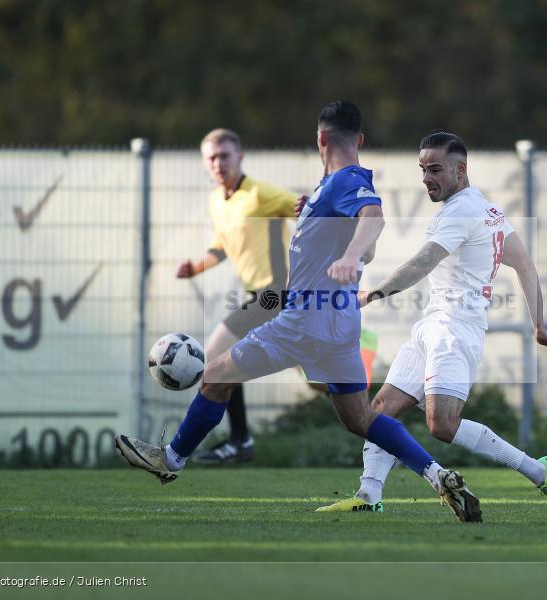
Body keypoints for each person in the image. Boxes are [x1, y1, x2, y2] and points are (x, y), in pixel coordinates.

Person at [116, 102, 483, 523]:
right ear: (359, 139)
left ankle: (173, 459)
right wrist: (318, 219)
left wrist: (349, 255)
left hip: (304, 321)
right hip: (341, 325)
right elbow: (363, 235)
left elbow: (374, 219)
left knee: (216, 375)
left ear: (321, 139)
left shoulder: (349, 180)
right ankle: (439, 477)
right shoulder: (328, 189)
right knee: (361, 418)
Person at [316, 131, 547, 514]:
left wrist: (372, 295)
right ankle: (368, 496)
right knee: (380, 411)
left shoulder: (463, 212)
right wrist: (538, 324)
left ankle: (540, 472)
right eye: (423, 170)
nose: (427, 178)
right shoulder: (487, 211)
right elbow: (524, 264)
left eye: (435, 169)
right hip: (431, 327)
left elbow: (424, 262)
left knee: (443, 424)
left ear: (461, 168)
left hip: (456, 330)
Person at [176, 128, 304, 465]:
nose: (218, 163)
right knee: (322, 381)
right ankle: (376, 410)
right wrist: (196, 267)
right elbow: (222, 246)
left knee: (216, 357)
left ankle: (238, 441)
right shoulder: (217, 200)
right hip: (261, 295)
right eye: (211, 158)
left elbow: (304, 209)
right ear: (205, 163)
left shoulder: (260, 194)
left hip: (277, 292)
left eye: (224, 156)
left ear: (239, 157)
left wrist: (306, 207)